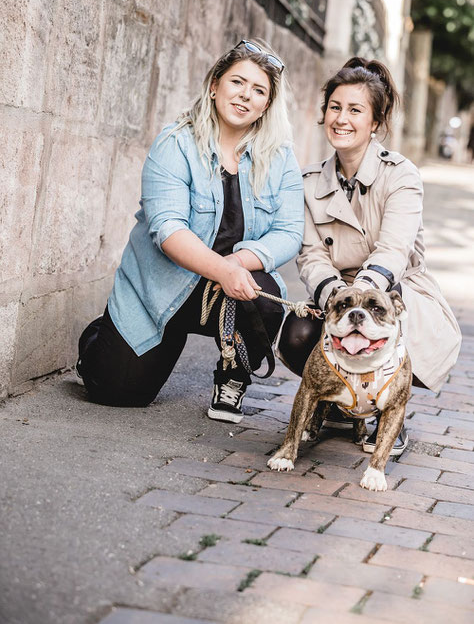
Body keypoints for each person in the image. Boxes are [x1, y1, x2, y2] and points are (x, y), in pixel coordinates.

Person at [77, 39, 304, 424]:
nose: (246, 96)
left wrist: (234, 265)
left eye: (259, 90)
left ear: (267, 104)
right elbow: (167, 229)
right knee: (117, 392)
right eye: (237, 82)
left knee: (263, 295)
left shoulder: (279, 157)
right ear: (214, 85)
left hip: (224, 290)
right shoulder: (175, 143)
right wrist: (222, 270)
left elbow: (289, 231)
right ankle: (102, 335)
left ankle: (232, 379)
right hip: (163, 289)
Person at [278, 57, 461, 455]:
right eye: (335, 107)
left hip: (395, 289)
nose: (341, 119)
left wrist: (359, 303)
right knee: (297, 334)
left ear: (376, 122)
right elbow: (311, 256)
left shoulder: (402, 175)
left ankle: (389, 411)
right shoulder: (307, 182)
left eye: (356, 110)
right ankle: (337, 400)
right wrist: (335, 302)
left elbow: (393, 251)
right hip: (335, 290)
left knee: (388, 323)